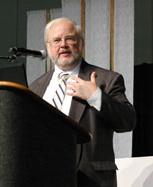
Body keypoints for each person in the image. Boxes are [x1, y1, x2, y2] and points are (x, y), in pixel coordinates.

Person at [29, 17, 136, 187]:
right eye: (56, 40)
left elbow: (128, 121)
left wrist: (95, 96)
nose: (63, 45)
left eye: (70, 39)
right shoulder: (35, 87)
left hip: (90, 181)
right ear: (48, 47)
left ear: (81, 43)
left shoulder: (106, 79)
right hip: (45, 177)